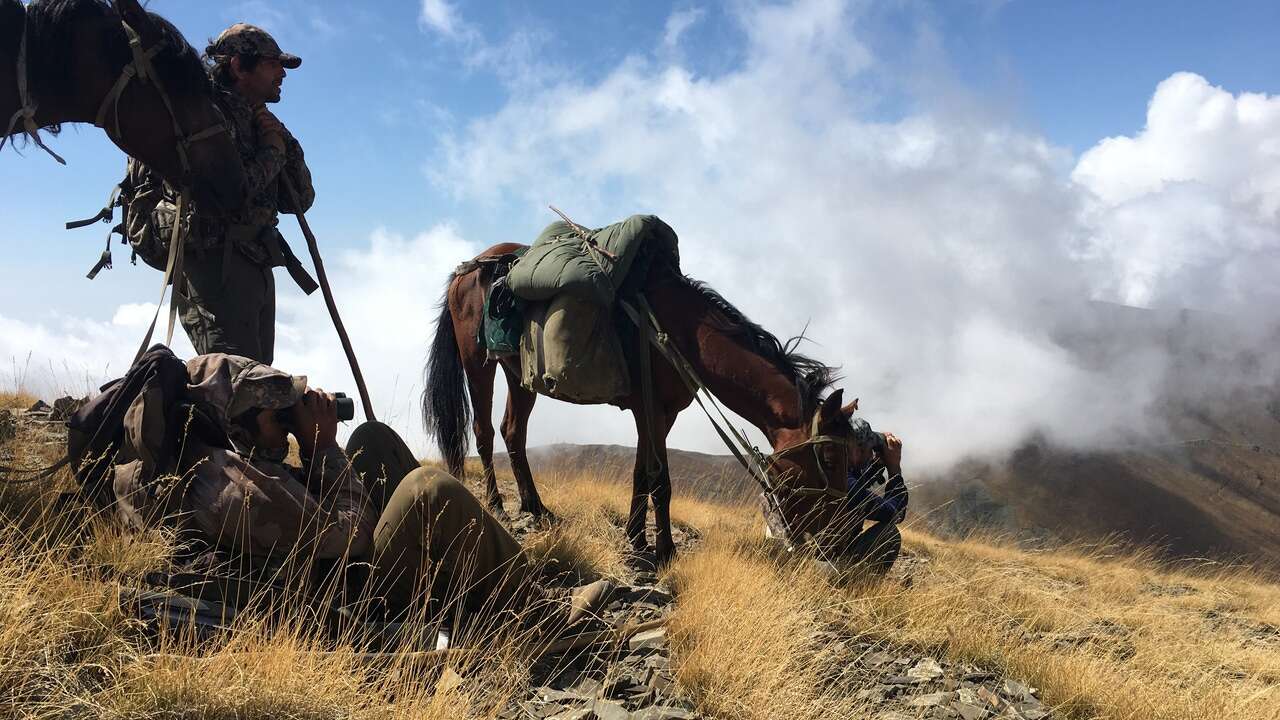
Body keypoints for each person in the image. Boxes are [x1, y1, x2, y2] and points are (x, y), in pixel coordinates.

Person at [112, 352, 612, 636]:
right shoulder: (236, 489)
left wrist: (317, 451)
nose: (286, 423)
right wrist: (321, 448)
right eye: (276, 414)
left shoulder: (215, 453)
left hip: (322, 568)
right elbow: (352, 536)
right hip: (350, 603)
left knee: (371, 441)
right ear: (238, 423)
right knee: (428, 489)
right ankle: (538, 615)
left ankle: (476, 567)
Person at [124, 23, 316, 364]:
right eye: (273, 64)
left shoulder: (259, 120)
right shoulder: (204, 118)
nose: (282, 74)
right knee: (235, 382)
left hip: (255, 260)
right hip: (215, 263)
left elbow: (300, 199)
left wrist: (282, 142)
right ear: (239, 66)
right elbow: (229, 193)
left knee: (257, 377)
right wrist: (272, 150)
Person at [820, 417, 909, 575]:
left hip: (793, 556)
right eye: (870, 449)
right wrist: (894, 468)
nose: (871, 454)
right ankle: (856, 583)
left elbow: (856, 486)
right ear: (857, 450)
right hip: (819, 568)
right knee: (889, 534)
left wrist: (876, 465)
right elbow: (894, 513)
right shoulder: (844, 483)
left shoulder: (824, 467)